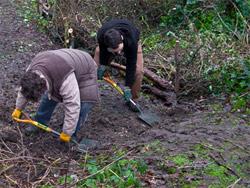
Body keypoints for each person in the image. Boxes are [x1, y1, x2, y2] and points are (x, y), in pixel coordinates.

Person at [11, 49, 101, 143]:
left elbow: (73, 104)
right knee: (50, 97)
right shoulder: (32, 70)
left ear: (43, 87)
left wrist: (67, 132)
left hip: (85, 67)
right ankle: (39, 123)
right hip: (64, 61)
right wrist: (18, 108)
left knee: (83, 104)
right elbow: (24, 89)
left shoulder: (65, 78)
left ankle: (72, 136)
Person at [94, 19, 144, 111]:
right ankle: (88, 91)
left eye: (120, 50)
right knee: (96, 64)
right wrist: (103, 66)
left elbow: (131, 64)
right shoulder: (101, 35)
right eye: (116, 52)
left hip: (132, 43)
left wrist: (127, 86)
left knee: (138, 71)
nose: (120, 53)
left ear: (121, 38)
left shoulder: (131, 40)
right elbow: (103, 51)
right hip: (111, 44)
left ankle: (132, 100)